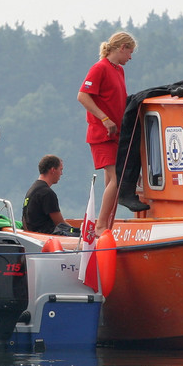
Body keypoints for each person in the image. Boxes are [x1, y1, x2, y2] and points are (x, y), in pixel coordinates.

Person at [77, 31, 136, 234]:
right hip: (102, 133)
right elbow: (83, 96)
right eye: (130, 52)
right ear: (122, 47)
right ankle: (100, 224)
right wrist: (104, 118)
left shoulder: (118, 70)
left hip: (116, 133)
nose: (130, 57)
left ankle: (106, 221)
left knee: (111, 179)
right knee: (116, 178)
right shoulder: (99, 68)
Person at [22, 155, 75, 235]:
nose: (61, 173)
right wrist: (78, 232)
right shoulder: (47, 193)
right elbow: (60, 224)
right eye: (60, 170)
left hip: (32, 234)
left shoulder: (32, 189)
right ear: (53, 170)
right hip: (46, 236)